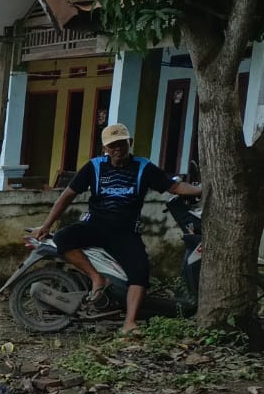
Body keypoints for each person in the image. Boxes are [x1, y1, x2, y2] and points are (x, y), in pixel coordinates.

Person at [34, 123, 202, 333]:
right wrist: (47, 224)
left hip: (125, 233)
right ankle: (97, 278)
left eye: (121, 144)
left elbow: (174, 186)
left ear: (129, 143)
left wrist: (201, 190)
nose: (117, 149)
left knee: (140, 272)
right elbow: (67, 195)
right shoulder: (94, 167)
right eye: (112, 146)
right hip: (94, 226)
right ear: (105, 148)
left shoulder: (143, 167)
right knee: (62, 237)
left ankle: (129, 323)